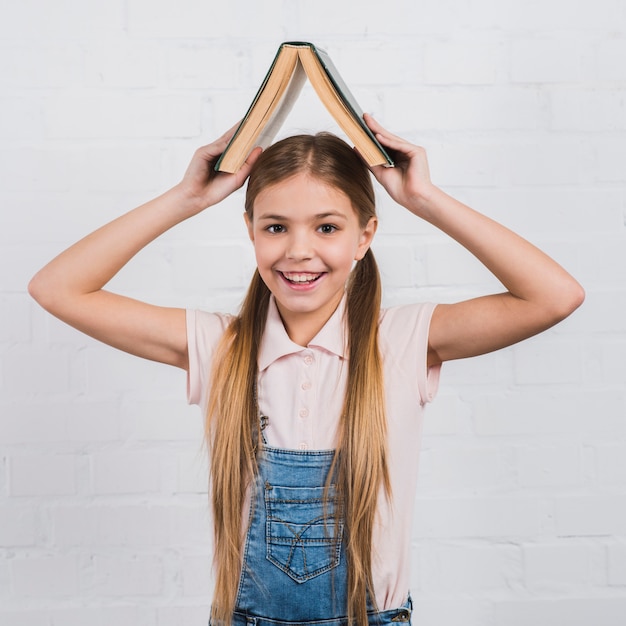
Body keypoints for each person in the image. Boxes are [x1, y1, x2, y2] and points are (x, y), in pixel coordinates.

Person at [29, 115, 584, 626]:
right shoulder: (221, 346)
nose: (298, 251)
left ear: (364, 236)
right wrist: (185, 199)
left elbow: (554, 297)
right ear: (250, 231)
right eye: (275, 227)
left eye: (326, 228)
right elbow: (56, 289)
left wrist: (425, 198)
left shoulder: (403, 341)